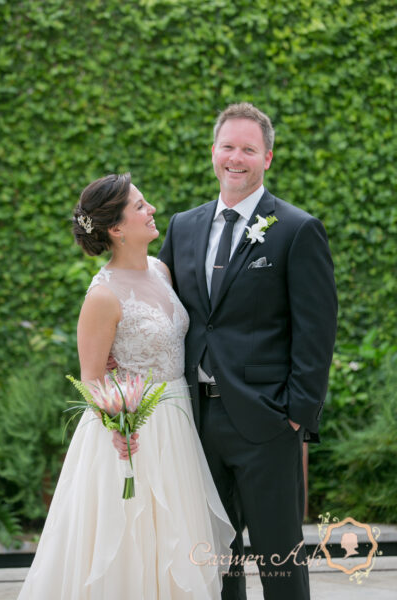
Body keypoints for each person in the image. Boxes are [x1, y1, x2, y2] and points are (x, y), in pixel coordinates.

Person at [18, 173, 234, 600]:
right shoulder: (102, 296)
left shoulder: (162, 270)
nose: (151, 209)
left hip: (179, 427)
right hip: (132, 432)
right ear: (116, 229)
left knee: (177, 542)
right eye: (139, 206)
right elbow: (92, 377)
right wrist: (119, 426)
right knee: (131, 544)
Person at [159, 102, 338, 600]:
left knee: (279, 561)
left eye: (248, 149)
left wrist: (296, 416)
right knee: (215, 559)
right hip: (193, 421)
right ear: (213, 152)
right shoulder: (182, 226)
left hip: (267, 423)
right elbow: (168, 314)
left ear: (268, 158)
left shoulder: (296, 229)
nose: (236, 158)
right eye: (228, 147)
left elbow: (316, 330)